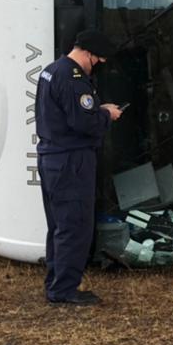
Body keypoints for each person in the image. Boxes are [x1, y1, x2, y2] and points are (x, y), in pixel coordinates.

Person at [35, 29, 123, 305]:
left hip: (52, 158)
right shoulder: (73, 80)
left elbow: (71, 112)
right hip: (71, 161)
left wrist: (98, 109)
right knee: (75, 226)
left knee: (59, 226)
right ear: (87, 53)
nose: (97, 66)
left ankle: (56, 283)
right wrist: (106, 115)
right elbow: (85, 123)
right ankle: (64, 290)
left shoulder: (51, 70)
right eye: (97, 60)